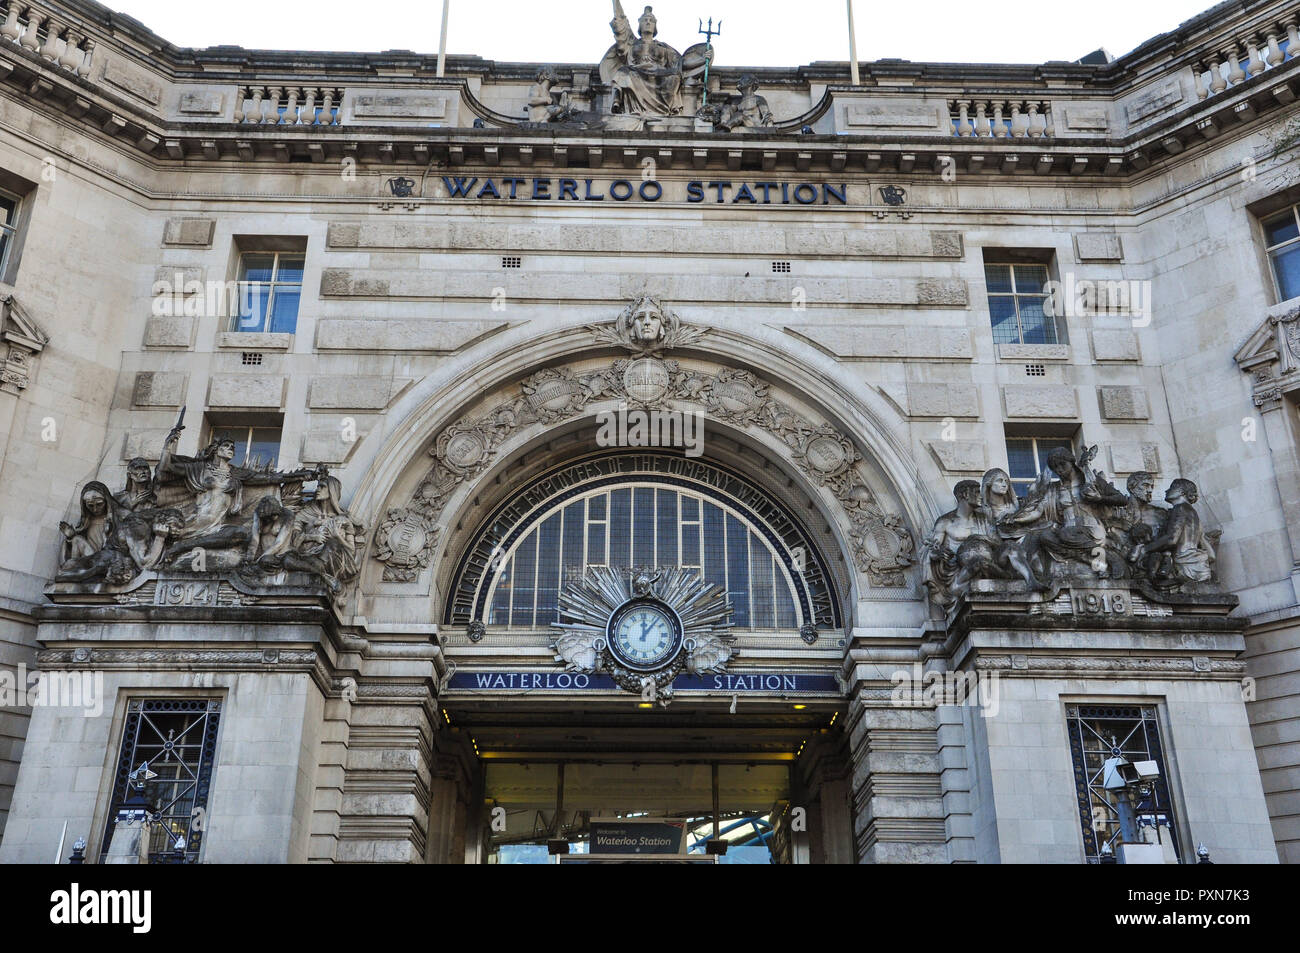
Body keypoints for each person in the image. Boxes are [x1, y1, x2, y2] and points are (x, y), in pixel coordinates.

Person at [1131, 479, 1214, 584]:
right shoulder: (1194, 514)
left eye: (1171, 488)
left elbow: (1171, 539)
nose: (1166, 491)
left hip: (1183, 563)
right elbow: (1211, 556)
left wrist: (1145, 549)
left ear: (1181, 492)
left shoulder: (1180, 508)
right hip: (1200, 566)